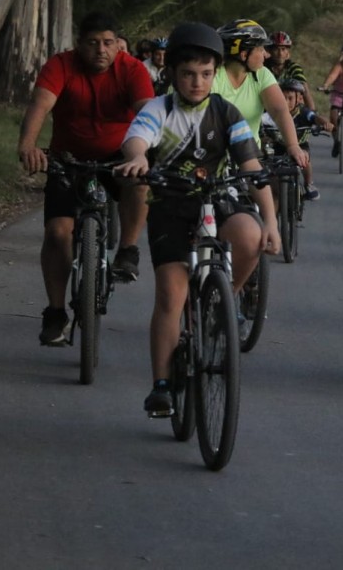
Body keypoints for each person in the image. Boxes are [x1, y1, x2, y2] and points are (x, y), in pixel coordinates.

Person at [115, 22, 279, 416]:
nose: (197, 82)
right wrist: (138, 157)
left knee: (251, 238)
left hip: (218, 198)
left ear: (215, 73)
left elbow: (252, 166)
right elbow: (138, 139)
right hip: (171, 204)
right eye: (188, 74)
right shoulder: (160, 108)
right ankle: (162, 385)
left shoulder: (225, 112)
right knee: (171, 296)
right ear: (171, 73)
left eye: (206, 74)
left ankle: (219, 304)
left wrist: (272, 221)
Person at [17, 11, 154, 346]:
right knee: (57, 231)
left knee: (140, 182)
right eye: (92, 43)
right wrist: (28, 145)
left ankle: (128, 249)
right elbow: (40, 106)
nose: (101, 50)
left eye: (108, 43)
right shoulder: (61, 65)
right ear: (79, 44)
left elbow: (149, 113)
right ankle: (55, 311)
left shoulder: (132, 69)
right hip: (68, 158)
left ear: (118, 45)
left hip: (117, 156)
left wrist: (148, 154)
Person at [213, 19, 309, 169]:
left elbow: (279, 112)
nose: (267, 54)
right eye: (261, 49)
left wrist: (293, 145)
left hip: (249, 157)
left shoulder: (262, 74)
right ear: (244, 54)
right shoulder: (213, 76)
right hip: (214, 160)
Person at [261, 79, 333, 201]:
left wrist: (325, 123)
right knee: (267, 161)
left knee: (304, 157)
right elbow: (260, 122)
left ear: (299, 99)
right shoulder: (271, 113)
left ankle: (308, 184)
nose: (286, 102)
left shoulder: (304, 113)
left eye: (290, 98)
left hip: (300, 145)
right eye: (283, 98)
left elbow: (315, 118)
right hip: (277, 146)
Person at [265, 30, 317, 111]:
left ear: (287, 52)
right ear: (270, 51)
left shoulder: (294, 68)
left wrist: (313, 113)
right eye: (276, 49)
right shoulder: (263, 69)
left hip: (290, 111)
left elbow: (305, 92)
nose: (280, 53)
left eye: (283, 49)